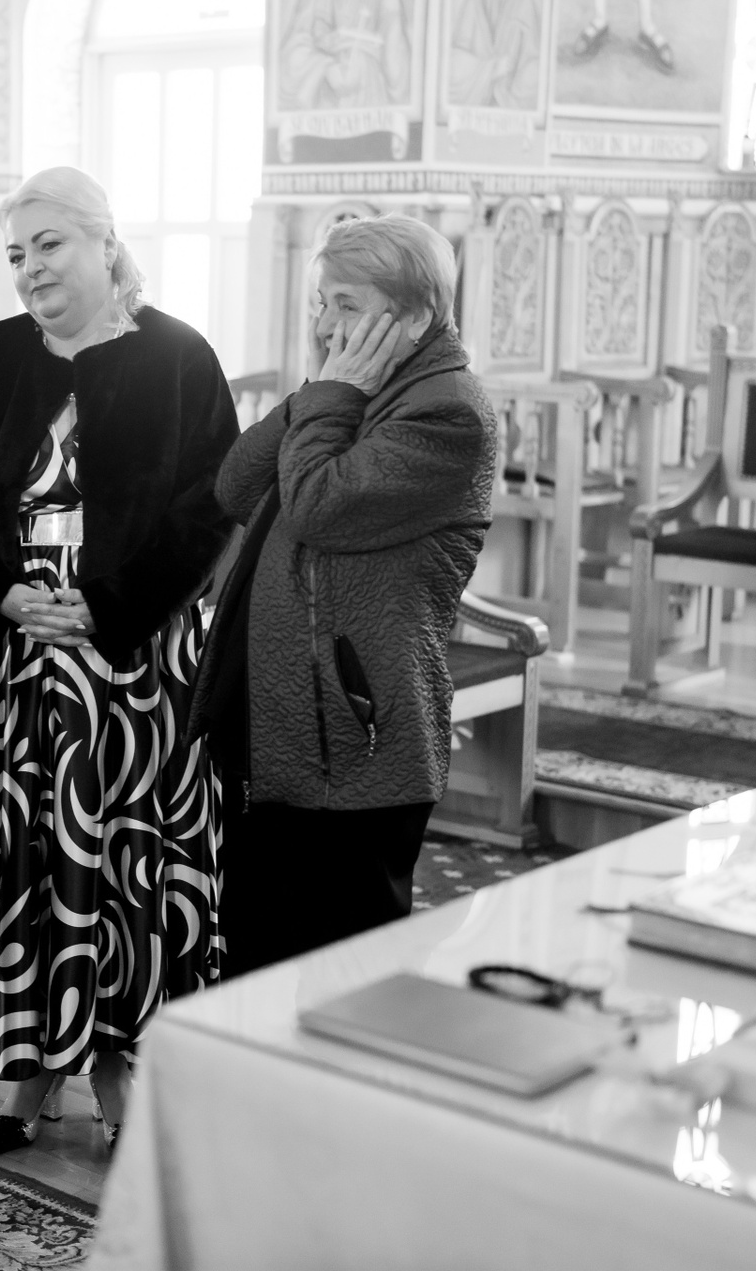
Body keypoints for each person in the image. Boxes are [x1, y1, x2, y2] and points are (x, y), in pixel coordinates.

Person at [0, 166, 236, 1157]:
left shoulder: (179, 356)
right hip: (16, 653)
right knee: (30, 854)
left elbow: (209, 508)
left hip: (134, 655)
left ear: (105, 241)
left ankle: (119, 1061)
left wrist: (109, 606)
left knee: (121, 856)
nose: (30, 269)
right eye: (17, 253)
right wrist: (0, 594)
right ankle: (35, 1059)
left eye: (48, 244)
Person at [193, 213, 498, 978]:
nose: (326, 325)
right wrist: (321, 390)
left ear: (417, 316)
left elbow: (316, 507)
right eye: (321, 303)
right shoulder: (356, 389)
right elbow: (235, 485)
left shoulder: (448, 412)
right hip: (282, 728)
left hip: (357, 744)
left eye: (348, 305)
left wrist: (333, 393)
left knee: (340, 978)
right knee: (260, 965)